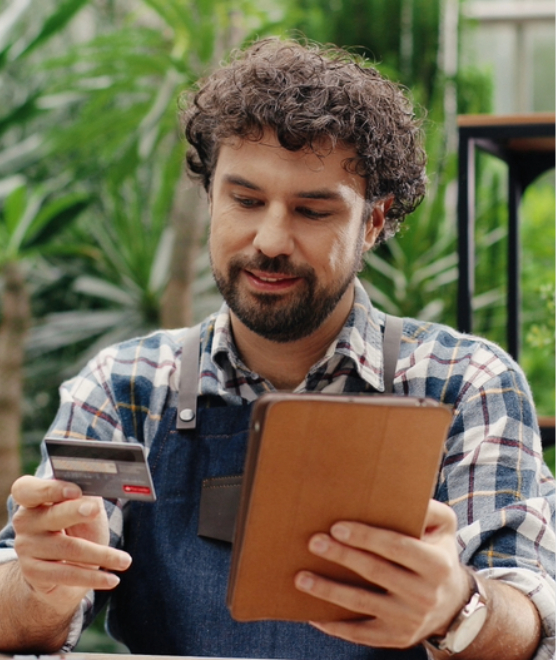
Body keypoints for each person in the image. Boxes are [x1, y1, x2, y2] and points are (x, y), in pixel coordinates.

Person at [0, 37, 554, 659]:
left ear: (373, 222)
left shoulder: (465, 382)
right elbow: (18, 615)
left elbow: (529, 624)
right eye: (246, 200)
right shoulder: (126, 386)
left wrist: (457, 607)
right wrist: (46, 582)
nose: (270, 239)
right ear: (210, 195)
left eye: (313, 210)